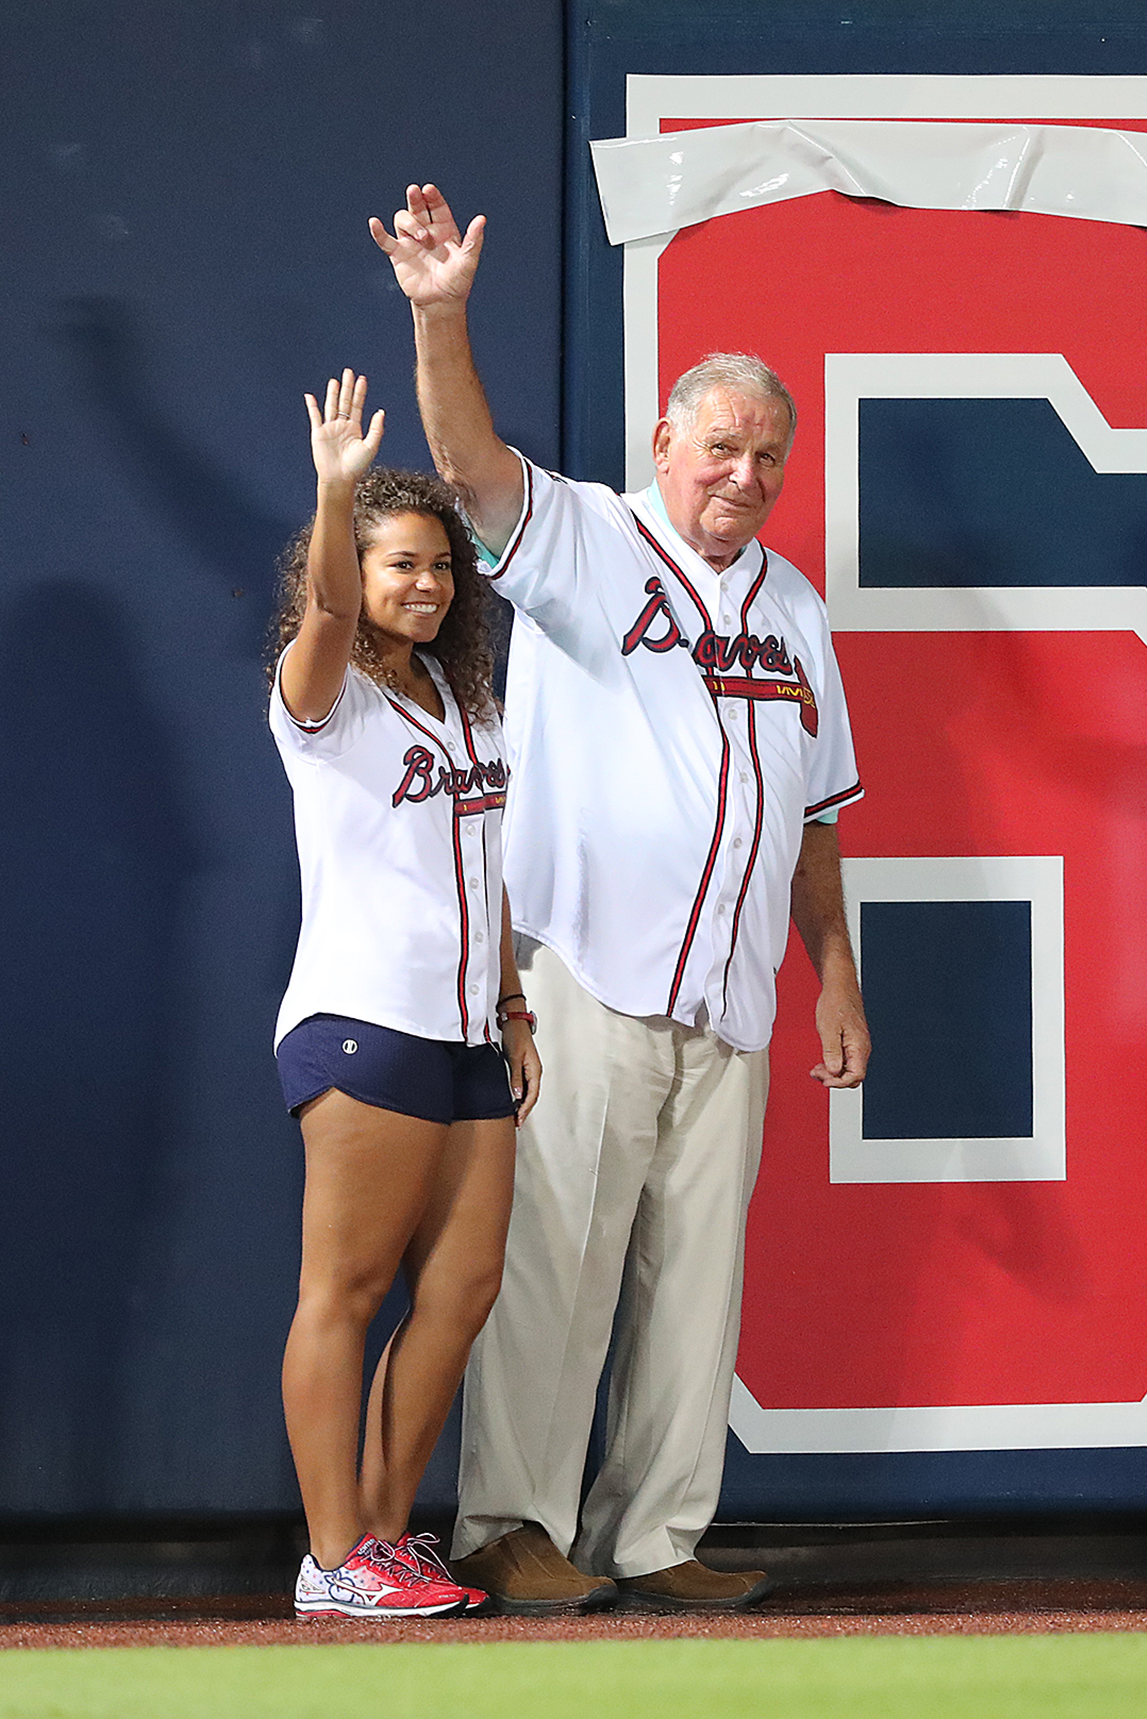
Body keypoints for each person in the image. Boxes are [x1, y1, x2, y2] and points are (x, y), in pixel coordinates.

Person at [372, 185, 869, 1614]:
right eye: (722, 444)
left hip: (734, 988)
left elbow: (817, 814)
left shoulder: (794, 612)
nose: (746, 472)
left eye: (768, 454)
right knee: (556, 1267)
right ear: (666, 438)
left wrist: (834, 970)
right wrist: (441, 314)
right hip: (584, 969)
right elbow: (467, 467)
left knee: (696, 1286)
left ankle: (657, 1534)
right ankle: (506, 1526)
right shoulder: (590, 541)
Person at [270, 370, 541, 1619]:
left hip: (470, 1032)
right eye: (399, 565)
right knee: (348, 1288)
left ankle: (383, 1538)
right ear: (355, 572)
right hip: (362, 1020)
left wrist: (515, 1006)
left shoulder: (463, 696)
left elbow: (482, 871)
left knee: (464, 1287)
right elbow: (327, 608)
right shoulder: (323, 697)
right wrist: (335, 497)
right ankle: (331, 1557)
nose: (425, 584)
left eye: (440, 565)